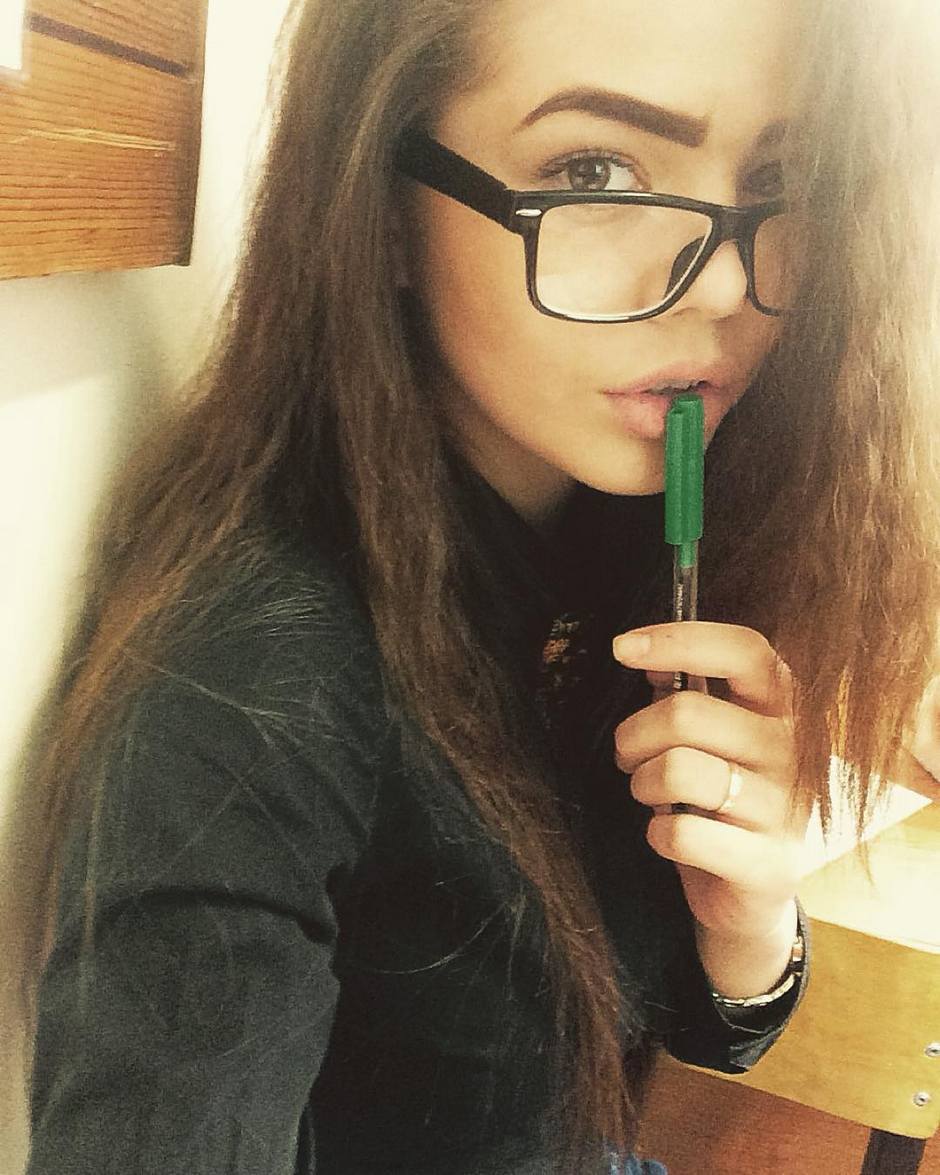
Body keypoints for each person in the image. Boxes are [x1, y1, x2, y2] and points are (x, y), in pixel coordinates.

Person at [19, 0, 940, 1172]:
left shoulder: (622, 543)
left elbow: (683, 1033)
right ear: (383, 207)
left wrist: (747, 921)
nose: (719, 283)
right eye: (595, 170)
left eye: (778, 177)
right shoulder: (254, 690)